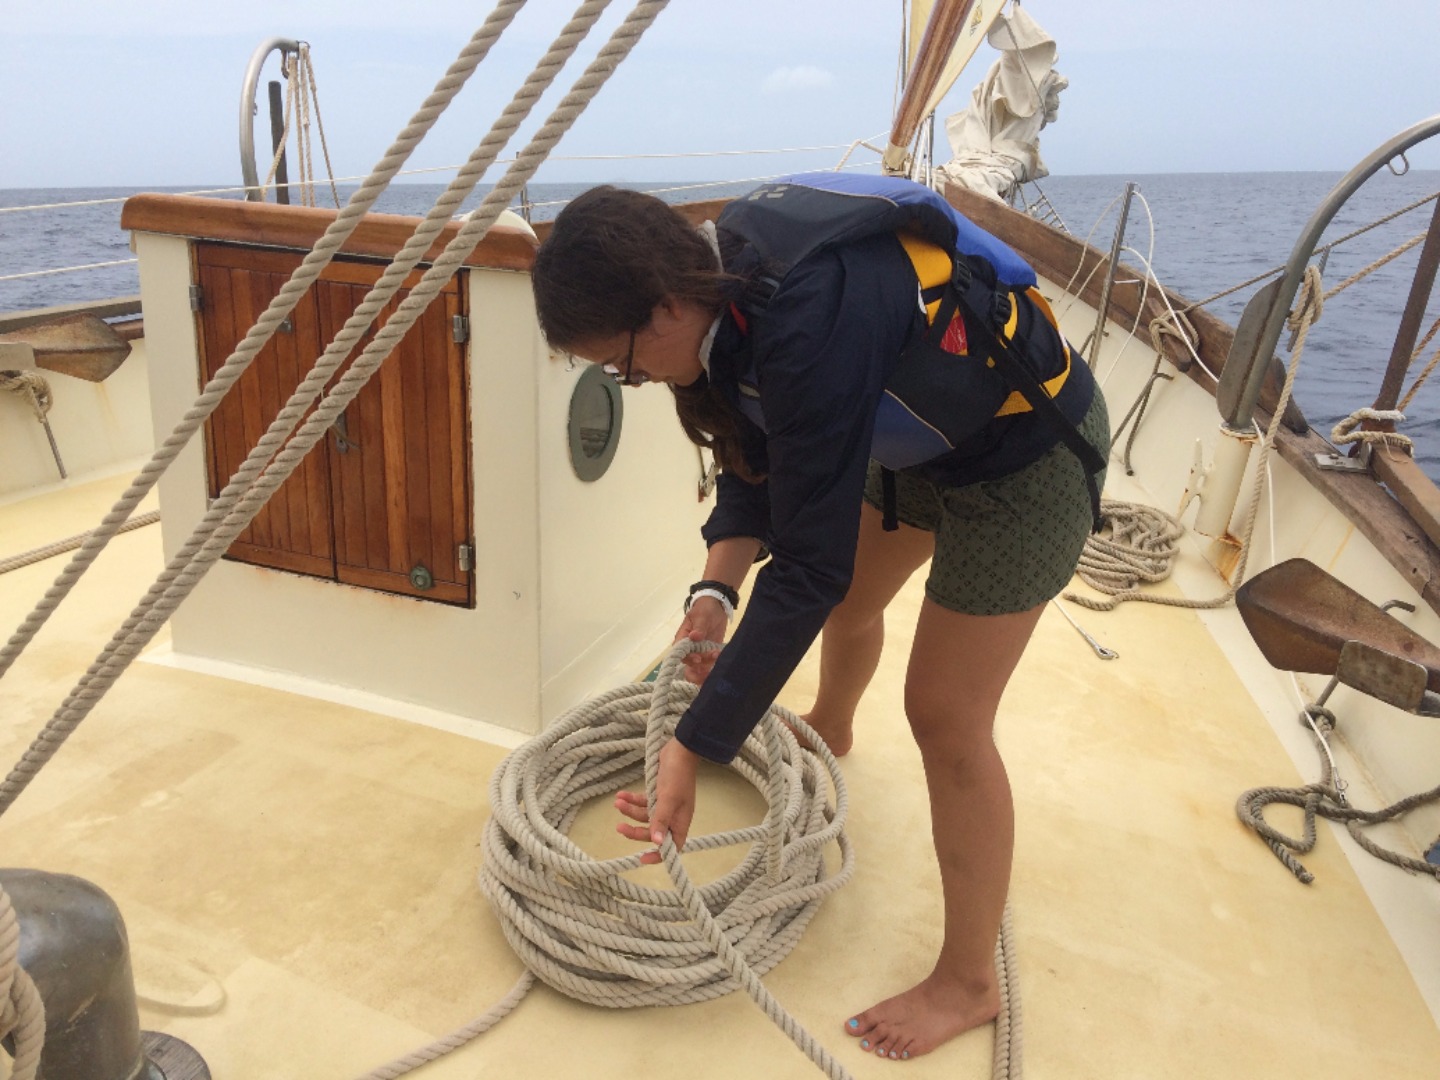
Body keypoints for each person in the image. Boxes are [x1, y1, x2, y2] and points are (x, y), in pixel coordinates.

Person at [530, 173, 1108, 1063]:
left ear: (667, 305)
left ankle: (969, 983)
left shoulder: (809, 321)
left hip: (1024, 455)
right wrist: (714, 596)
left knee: (945, 716)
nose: (631, 382)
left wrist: (692, 742)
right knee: (851, 604)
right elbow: (750, 452)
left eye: (624, 364)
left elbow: (807, 564)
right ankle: (831, 727)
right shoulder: (721, 288)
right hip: (916, 441)